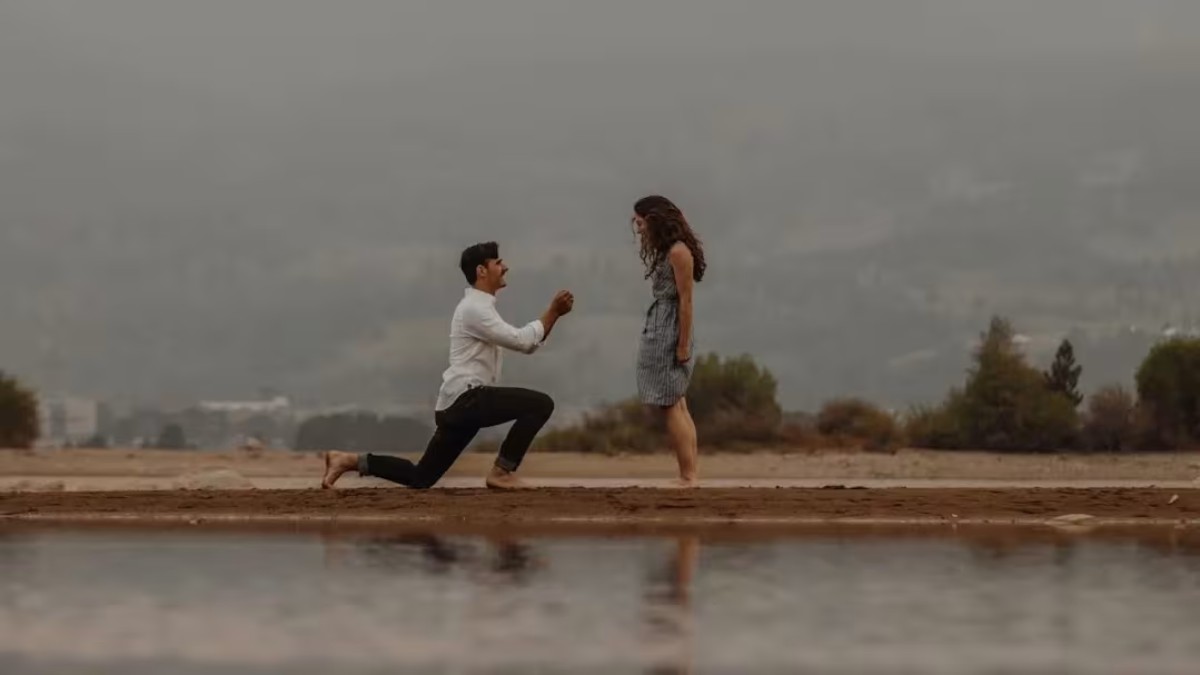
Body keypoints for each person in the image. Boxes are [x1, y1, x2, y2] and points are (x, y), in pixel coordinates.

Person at [320, 241, 574, 490]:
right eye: (498, 262)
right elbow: (522, 342)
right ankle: (502, 472)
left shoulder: (480, 307)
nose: (505, 267)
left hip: (455, 406)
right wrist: (553, 311)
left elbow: (528, 344)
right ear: (481, 271)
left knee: (421, 477)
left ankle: (348, 460)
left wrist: (553, 315)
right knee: (541, 404)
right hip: (467, 400)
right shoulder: (475, 309)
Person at [632, 195, 705, 487]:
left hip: (667, 327)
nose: (638, 229)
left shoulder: (678, 252)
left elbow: (686, 301)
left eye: (640, 222)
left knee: (671, 404)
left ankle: (688, 475)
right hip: (661, 322)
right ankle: (689, 472)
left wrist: (683, 344)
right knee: (677, 402)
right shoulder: (668, 250)